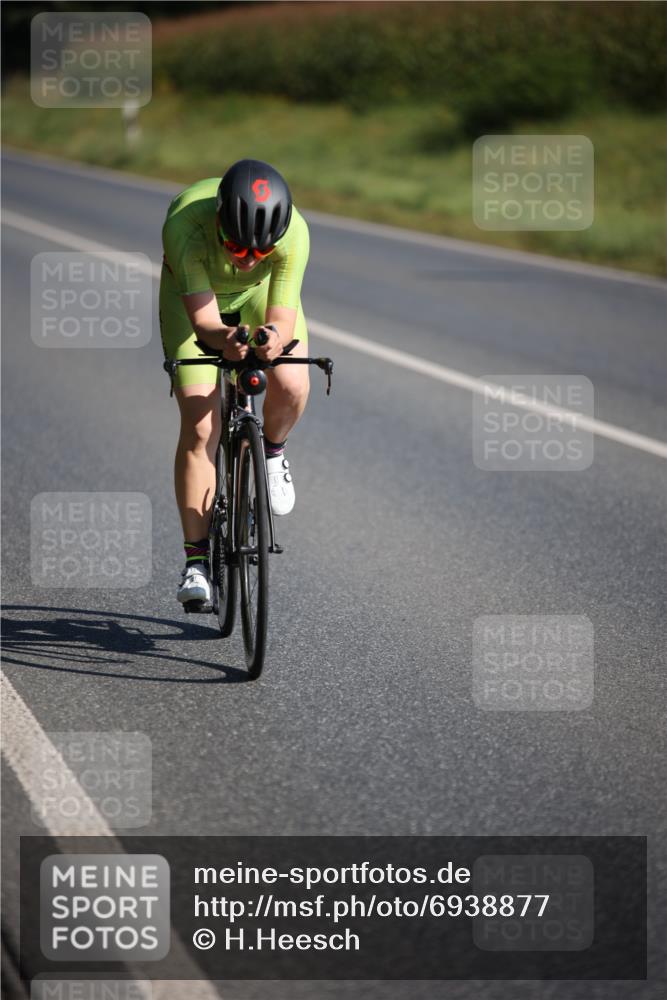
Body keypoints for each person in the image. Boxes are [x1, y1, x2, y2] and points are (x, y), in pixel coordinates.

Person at [159, 159, 310, 606]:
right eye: (236, 247)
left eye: (260, 252)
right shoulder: (186, 226)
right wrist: (225, 339)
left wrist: (271, 338)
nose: (247, 260)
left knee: (292, 383)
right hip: (194, 303)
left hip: (259, 299)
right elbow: (204, 323)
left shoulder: (295, 234)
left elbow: (282, 319)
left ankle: (273, 452)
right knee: (201, 425)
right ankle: (196, 562)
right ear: (220, 222)